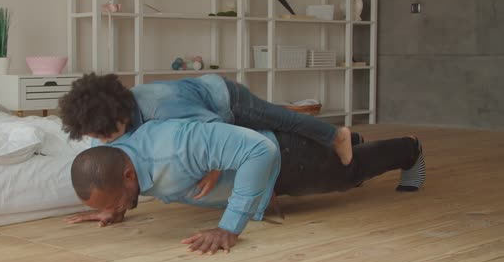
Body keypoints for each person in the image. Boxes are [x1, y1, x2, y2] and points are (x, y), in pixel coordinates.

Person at [66, 120, 426, 255]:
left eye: (117, 199)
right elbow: (126, 184)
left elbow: (259, 150)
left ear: (127, 175)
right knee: (343, 162)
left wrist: (229, 227)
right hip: (262, 176)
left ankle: (410, 149)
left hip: (281, 159)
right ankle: (344, 140)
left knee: (351, 174)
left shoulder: (177, 146)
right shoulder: (123, 157)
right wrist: (115, 206)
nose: (118, 205)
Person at [59, 73, 354, 167]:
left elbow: (216, 130)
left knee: (283, 121)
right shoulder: (124, 115)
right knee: (271, 133)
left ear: (117, 115)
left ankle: (336, 135)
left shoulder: (162, 107)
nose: (101, 140)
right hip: (201, 99)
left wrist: (214, 171)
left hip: (227, 100)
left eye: (101, 135)